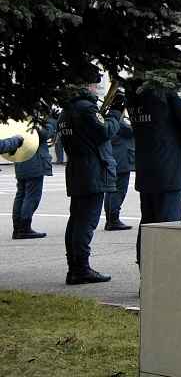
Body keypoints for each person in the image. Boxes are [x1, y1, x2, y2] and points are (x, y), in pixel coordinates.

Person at [130, 83, 181, 265]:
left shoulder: (135, 94)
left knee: (148, 225)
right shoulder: (165, 92)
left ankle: (146, 272)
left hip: (146, 170)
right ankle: (164, 274)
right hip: (168, 171)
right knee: (168, 228)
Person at [58, 79, 121, 284]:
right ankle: (81, 269)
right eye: (94, 85)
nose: (96, 89)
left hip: (77, 170)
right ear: (86, 86)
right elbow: (105, 132)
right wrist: (115, 113)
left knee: (76, 221)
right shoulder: (86, 108)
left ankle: (74, 267)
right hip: (92, 171)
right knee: (86, 222)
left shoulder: (66, 110)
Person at [12, 116, 56, 239]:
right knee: (32, 196)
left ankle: (17, 227)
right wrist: (51, 121)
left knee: (21, 195)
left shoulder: (18, 117)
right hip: (34, 160)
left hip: (21, 159)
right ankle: (24, 228)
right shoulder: (33, 116)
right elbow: (44, 133)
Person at [103, 95, 134, 231]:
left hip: (115, 157)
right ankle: (113, 219)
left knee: (111, 191)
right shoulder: (117, 121)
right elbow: (131, 131)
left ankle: (110, 219)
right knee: (119, 191)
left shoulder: (108, 118)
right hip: (121, 159)